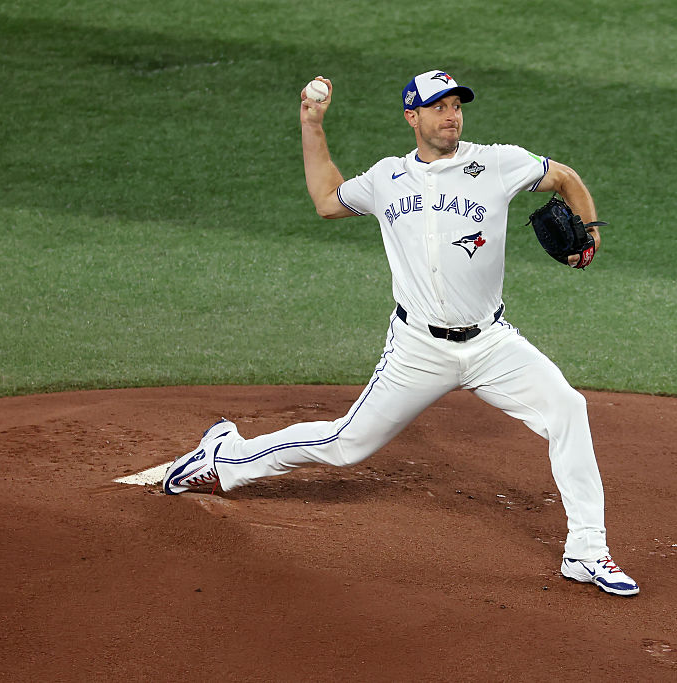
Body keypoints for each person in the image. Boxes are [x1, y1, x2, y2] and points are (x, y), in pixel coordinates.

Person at [163, 69, 639, 597]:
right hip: (417, 348)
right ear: (412, 116)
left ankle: (587, 551)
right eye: (439, 107)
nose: (451, 115)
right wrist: (311, 124)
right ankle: (224, 458)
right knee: (346, 444)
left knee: (567, 409)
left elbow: (564, 177)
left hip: (491, 343)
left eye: (457, 106)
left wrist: (589, 229)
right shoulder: (387, 178)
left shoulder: (497, 162)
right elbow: (326, 200)